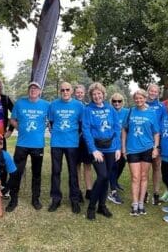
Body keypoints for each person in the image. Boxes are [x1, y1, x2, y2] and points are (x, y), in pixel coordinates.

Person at [6, 81, 50, 212]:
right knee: (16, 172)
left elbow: (52, 119)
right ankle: (13, 200)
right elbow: (12, 119)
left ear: (40, 91)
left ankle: (35, 199)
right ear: (28, 90)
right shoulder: (20, 103)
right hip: (22, 144)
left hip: (38, 145)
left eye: (36, 88)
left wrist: (49, 126)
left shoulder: (46, 105)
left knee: (36, 173)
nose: (33, 90)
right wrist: (20, 128)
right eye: (31, 88)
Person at [82, 82, 121, 220]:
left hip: (111, 148)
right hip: (97, 149)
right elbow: (86, 130)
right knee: (102, 176)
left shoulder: (111, 109)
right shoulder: (88, 110)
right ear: (91, 96)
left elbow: (117, 128)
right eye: (94, 94)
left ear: (103, 94)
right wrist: (93, 150)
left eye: (99, 93)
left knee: (106, 178)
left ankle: (102, 206)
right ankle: (91, 207)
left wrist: (118, 148)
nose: (97, 96)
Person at [122, 89, 159, 216]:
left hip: (147, 148)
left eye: (141, 98)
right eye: (136, 98)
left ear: (145, 98)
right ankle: (135, 203)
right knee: (135, 177)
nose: (138, 100)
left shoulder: (151, 113)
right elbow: (124, 130)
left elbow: (156, 132)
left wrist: (155, 147)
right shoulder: (130, 112)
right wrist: (123, 148)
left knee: (144, 176)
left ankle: (142, 203)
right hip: (132, 149)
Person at [47, 82, 84, 214]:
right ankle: (56, 199)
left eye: (67, 89)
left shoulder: (79, 106)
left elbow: (81, 125)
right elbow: (51, 123)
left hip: (72, 144)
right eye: (62, 90)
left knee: (73, 173)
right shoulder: (53, 105)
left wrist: (74, 136)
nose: (65, 92)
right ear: (60, 91)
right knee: (56, 172)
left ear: (72, 91)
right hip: (56, 143)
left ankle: (74, 199)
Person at [146, 84, 167, 205]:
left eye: (155, 91)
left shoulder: (161, 107)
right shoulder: (143, 104)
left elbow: (163, 123)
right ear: (148, 91)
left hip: (157, 141)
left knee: (156, 167)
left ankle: (156, 193)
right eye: (151, 91)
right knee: (145, 169)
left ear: (158, 93)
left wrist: (159, 143)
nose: (153, 93)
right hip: (144, 141)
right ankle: (144, 193)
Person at [107, 93, 129, 205]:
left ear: (122, 101)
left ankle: (114, 182)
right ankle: (113, 191)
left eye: (119, 101)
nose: (116, 103)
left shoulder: (127, 112)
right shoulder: (108, 112)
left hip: (124, 145)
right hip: (112, 145)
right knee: (114, 167)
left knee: (121, 165)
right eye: (114, 101)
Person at [74, 84, 93, 201]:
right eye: (77, 92)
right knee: (77, 167)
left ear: (84, 93)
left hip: (86, 140)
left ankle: (89, 190)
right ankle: (78, 190)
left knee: (87, 166)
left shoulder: (88, 106)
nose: (79, 94)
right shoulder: (72, 106)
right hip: (75, 140)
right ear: (74, 93)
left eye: (81, 92)